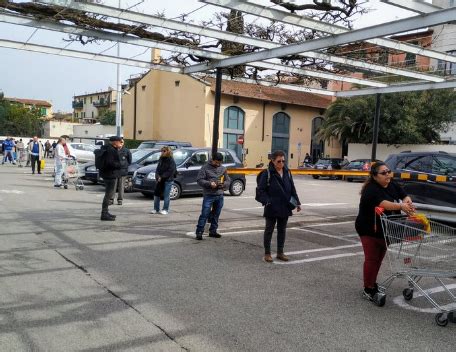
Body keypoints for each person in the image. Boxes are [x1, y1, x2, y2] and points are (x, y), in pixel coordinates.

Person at [355, 161, 415, 303]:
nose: (388, 175)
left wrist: (407, 202)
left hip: (387, 228)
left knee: (379, 259)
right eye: (383, 173)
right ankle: (368, 288)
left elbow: (404, 195)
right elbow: (384, 204)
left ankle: (372, 283)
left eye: (388, 171)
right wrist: (401, 205)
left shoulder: (392, 183)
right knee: (371, 259)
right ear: (375, 176)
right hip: (369, 229)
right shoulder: (371, 189)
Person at [256, 150, 301, 263]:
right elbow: (260, 191)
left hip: (285, 206)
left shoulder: (287, 172)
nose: (281, 163)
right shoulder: (267, 173)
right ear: (273, 161)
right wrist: (267, 201)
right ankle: (267, 253)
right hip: (272, 206)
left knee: (282, 230)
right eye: (279, 161)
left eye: (283, 161)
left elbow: (292, 188)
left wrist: (297, 202)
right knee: (269, 230)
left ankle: (280, 252)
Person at [194, 152, 230, 240]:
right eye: (216, 162)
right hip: (209, 195)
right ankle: (199, 232)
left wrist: (224, 184)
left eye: (219, 162)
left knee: (216, 214)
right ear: (212, 160)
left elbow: (228, 180)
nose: (218, 164)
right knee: (204, 214)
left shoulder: (223, 168)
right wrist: (210, 184)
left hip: (219, 194)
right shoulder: (205, 167)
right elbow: (199, 180)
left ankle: (213, 231)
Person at [98, 136, 123, 221]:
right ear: (115, 142)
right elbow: (110, 163)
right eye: (120, 141)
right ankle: (104, 214)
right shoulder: (111, 150)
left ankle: (106, 212)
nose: (121, 143)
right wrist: (119, 165)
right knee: (108, 195)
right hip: (110, 174)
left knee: (108, 194)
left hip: (106, 174)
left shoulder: (106, 148)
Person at [151, 146, 176, 215]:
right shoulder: (161, 159)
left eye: (164, 151)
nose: (162, 152)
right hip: (160, 179)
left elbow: (171, 171)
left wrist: (162, 177)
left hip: (168, 180)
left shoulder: (171, 160)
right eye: (162, 151)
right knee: (156, 194)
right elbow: (158, 168)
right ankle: (156, 209)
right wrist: (157, 176)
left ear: (168, 151)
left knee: (166, 195)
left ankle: (165, 209)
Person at [110, 139, 132, 206]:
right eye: (120, 142)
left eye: (122, 142)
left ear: (123, 143)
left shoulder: (126, 151)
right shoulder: (114, 149)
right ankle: (111, 199)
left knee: (121, 186)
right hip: (115, 171)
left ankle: (120, 200)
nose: (121, 143)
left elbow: (129, 161)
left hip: (123, 171)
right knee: (113, 186)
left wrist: (124, 165)